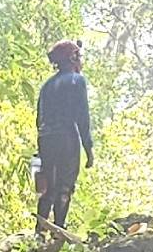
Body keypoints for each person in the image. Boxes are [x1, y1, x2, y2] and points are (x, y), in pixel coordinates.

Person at [35, 39, 93, 234]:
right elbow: (82, 117)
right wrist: (88, 148)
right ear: (72, 58)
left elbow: (39, 119)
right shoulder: (77, 80)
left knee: (48, 187)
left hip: (45, 138)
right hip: (67, 136)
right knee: (64, 186)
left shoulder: (46, 86)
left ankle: (39, 231)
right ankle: (59, 230)